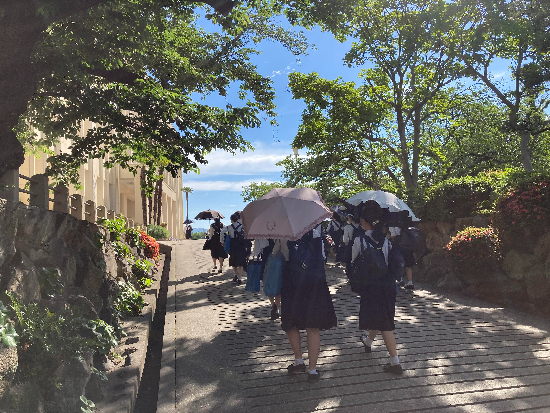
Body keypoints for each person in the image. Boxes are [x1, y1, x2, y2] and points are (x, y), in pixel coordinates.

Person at [351, 200, 403, 375]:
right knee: (382, 316)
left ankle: (395, 362)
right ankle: (368, 342)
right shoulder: (386, 240)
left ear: (364, 222)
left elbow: (353, 263)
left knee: (386, 324)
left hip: (371, 287)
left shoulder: (360, 240)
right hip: (388, 285)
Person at [282, 228, 337, 382]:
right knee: (313, 327)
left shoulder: (284, 232)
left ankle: (299, 361)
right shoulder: (319, 234)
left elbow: (281, 255)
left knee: (290, 323)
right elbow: (323, 259)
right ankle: (312, 370)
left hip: (292, 283)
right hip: (315, 283)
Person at [228, 212, 249, 285]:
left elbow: (225, 234)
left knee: (234, 262)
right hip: (240, 245)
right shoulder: (241, 226)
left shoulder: (229, 227)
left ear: (231, 220)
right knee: (240, 262)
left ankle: (235, 275)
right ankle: (240, 278)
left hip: (233, 245)